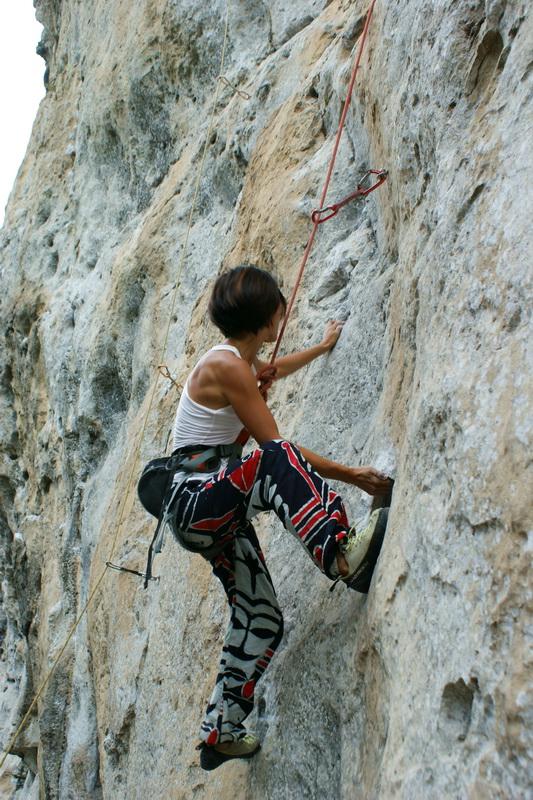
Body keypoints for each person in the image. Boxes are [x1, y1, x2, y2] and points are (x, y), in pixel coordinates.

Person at [169, 265, 391, 771]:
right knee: (275, 458)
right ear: (266, 316)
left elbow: (273, 370)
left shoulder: (235, 363)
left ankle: (221, 732)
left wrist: (322, 346)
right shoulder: (228, 367)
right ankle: (338, 551)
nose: (282, 309)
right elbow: (277, 450)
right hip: (198, 500)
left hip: (205, 511)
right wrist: (352, 476)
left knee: (262, 618)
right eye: (278, 305)